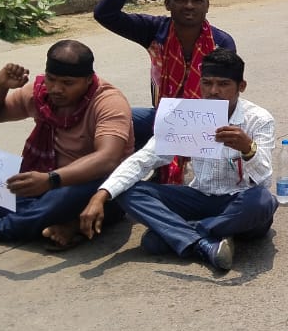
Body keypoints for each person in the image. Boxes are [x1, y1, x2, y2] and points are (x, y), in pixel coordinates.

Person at [78, 50, 275, 271]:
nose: (213, 91)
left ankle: (183, 234)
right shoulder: (187, 115)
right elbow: (144, 159)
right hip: (200, 197)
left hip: (238, 201)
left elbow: (264, 179)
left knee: (262, 201)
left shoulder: (259, 119)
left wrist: (248, 149)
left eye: (223, 84)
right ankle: (207, 240)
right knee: (129, 191)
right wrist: (101, 194)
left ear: (241, 86)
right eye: (207, 83)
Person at [0, 40, 134, 250]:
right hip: (45, 178)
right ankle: (58, 220)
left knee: (62, 196)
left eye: (68, 83)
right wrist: (0, 86)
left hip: (93, 184)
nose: (56, 89)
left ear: (88, 80)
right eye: (51, 79)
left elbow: (108, 158)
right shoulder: (40, 93)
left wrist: (51, 180)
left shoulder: (108, 102)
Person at [94, 0, 237, 162]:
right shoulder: (154, 31)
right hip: (163, 118)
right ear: (167, 4)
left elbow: (228, 95)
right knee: (111, 122)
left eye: (197, 0)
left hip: (208, 124)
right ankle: (114, 174)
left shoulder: (221, 43)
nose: (189, 6)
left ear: (207, 6)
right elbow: (105, 14)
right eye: (180, 0)